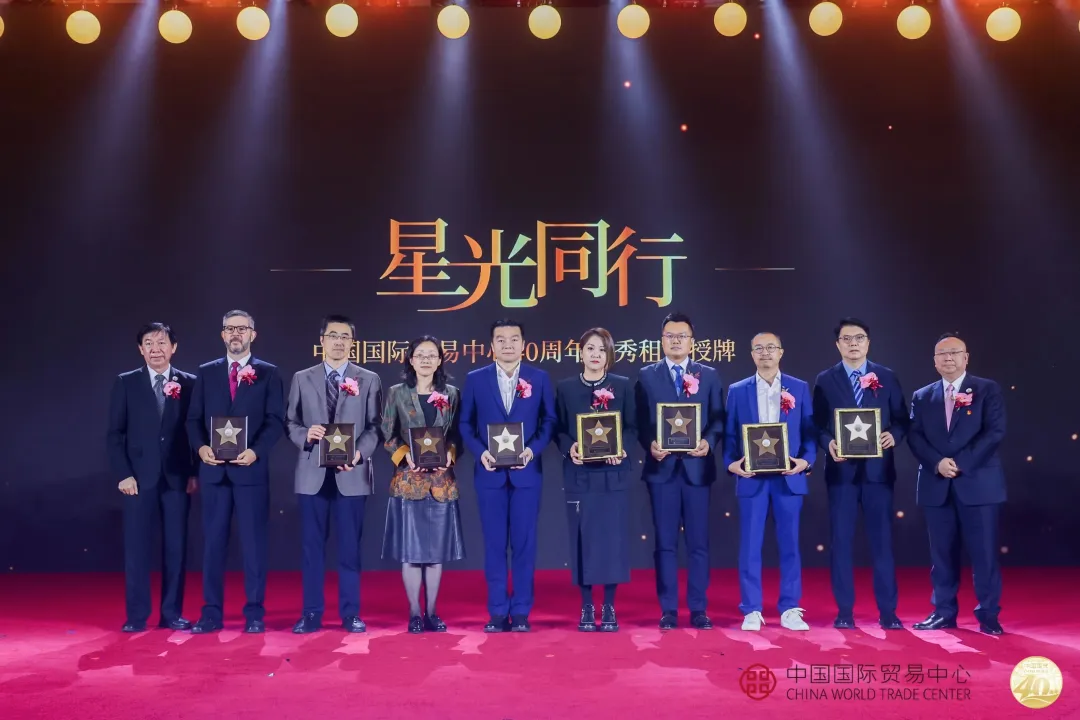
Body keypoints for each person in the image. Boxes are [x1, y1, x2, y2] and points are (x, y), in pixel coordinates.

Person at [186, 310, 284, 634]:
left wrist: (255, 451)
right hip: (214, 473)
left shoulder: (268, 373)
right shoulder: (206, 372)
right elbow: (193, 420)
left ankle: (254, 613)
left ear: (253, 334)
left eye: (242, 329)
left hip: (250, 473)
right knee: (213, 545)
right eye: (230, 329)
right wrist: (201, 448)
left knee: (253, 546)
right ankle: (211, 613)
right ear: (222, 335)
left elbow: (275, 421)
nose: (236, 334)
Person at [285, 315, 382, 634]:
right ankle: (311, 613)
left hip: (351, 473)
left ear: (352, 342)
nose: (338, 342)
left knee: (350, 548)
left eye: (345, 337)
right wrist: (305, 435)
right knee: (311, 548)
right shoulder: (302, 377)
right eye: (333, 335)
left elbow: (375, 427)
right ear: (322, 340)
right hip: (312, 473)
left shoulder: (368, 379)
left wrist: (359, 453)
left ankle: (351, 613)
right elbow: (290, 422)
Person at [459, 319, 556, 633]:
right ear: (492, 346)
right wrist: (480, 453)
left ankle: (522, 612)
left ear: (523, 344)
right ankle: (498, 612)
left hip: (526, 474)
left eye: (514, 339)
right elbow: (465, 424)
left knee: (525, 545)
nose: (508, 345)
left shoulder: (539, 378)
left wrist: (532, 451)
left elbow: (549, 422)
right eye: (501, 340)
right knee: (494, 545)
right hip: (489, 474)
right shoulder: (476, 379)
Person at [812, 317, 908, 630]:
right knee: (841, 543)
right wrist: (828, 443)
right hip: (841, 473)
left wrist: (894, 435)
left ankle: (888, 612)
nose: (853, 344)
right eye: (847, 339)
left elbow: (902, 420)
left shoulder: (886, 376)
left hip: (878, 474)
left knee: (882, 542)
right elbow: (817, 425)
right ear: (837, 344)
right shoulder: (825, 380)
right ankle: (844, 612)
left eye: (859, 338)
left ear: (868, 342)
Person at [908, 333, 1006, 635]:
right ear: (934, 361)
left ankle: (988, 614)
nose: (948, 358)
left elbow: (994, 432)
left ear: (966, 357)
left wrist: (961, 462)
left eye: (954, 352)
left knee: (984, 554)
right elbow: (914, 435)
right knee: (941, 555)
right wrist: (937, 462)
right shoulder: (922, 396)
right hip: (936, 484)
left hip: (978, 483)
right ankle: (943, 612)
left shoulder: (987, 389)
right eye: (942, 354)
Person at [635, 312, 725, 630]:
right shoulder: (646, 376)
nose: (676, 341)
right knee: (664, 543)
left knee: (698, 543)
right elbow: (639, 421)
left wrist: (708, 442)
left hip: (697, 469)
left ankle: (699, 608)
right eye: (670, 336)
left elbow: (718, 418)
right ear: (661, 340)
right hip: (662, 470)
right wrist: (649, 443)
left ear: (691, 341)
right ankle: (669, 609)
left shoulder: (709, 375)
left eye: (681, 336)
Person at [106, 323, 198, 632]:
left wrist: (194, 472)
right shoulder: (126, 382)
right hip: (137, 480)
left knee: (176, 548)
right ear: (140, 349)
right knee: (137, 549)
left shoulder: (189, 383)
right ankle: (136, 616)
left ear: (174, 347)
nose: (155, 348)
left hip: (177, 478)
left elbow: (195, 431)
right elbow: (115, 434)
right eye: (148, 343)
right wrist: (124, 474)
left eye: (161, 342)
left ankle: (171, 613)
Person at [724, 332, 816, 631]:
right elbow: (729, 436)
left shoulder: (798, 388)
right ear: (752, 354)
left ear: (781, 352)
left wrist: (805, 461)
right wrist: (731, 464)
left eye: (771, 347)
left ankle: (790, 608)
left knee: (790, 545)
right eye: (759, 348)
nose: (765, 353)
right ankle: (751, 609)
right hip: (752, 479)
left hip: (788, 478)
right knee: (750, 546)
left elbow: (810, 433)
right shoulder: (738, 390)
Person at [380, 336, 466, 633]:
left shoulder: (452, 394)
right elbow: (387, 434)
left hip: (441, 483)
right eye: (420, 355)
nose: (426, 360)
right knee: (411, 553)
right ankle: (415, 613)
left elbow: (457, 435)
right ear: (411, 360)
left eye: (432, 355)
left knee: (435, 554)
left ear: (440, 360)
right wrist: (404, 456)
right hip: (409, 482)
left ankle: (432, 612)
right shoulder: (396, 393)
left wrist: (450, 454)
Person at [555, 328, 636, 632]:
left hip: (613, 475)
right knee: (582, 540)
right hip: (580, 475)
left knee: (613, 540)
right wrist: (570, 448)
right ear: (581, 352)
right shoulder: (565, 388)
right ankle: (587, 605)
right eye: (590, 348)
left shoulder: (623, 385)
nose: (595, 354)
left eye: (602, 349)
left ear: (609, 355)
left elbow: (633, 427)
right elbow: (557, 429)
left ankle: (610, 606)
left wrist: (623, 449)